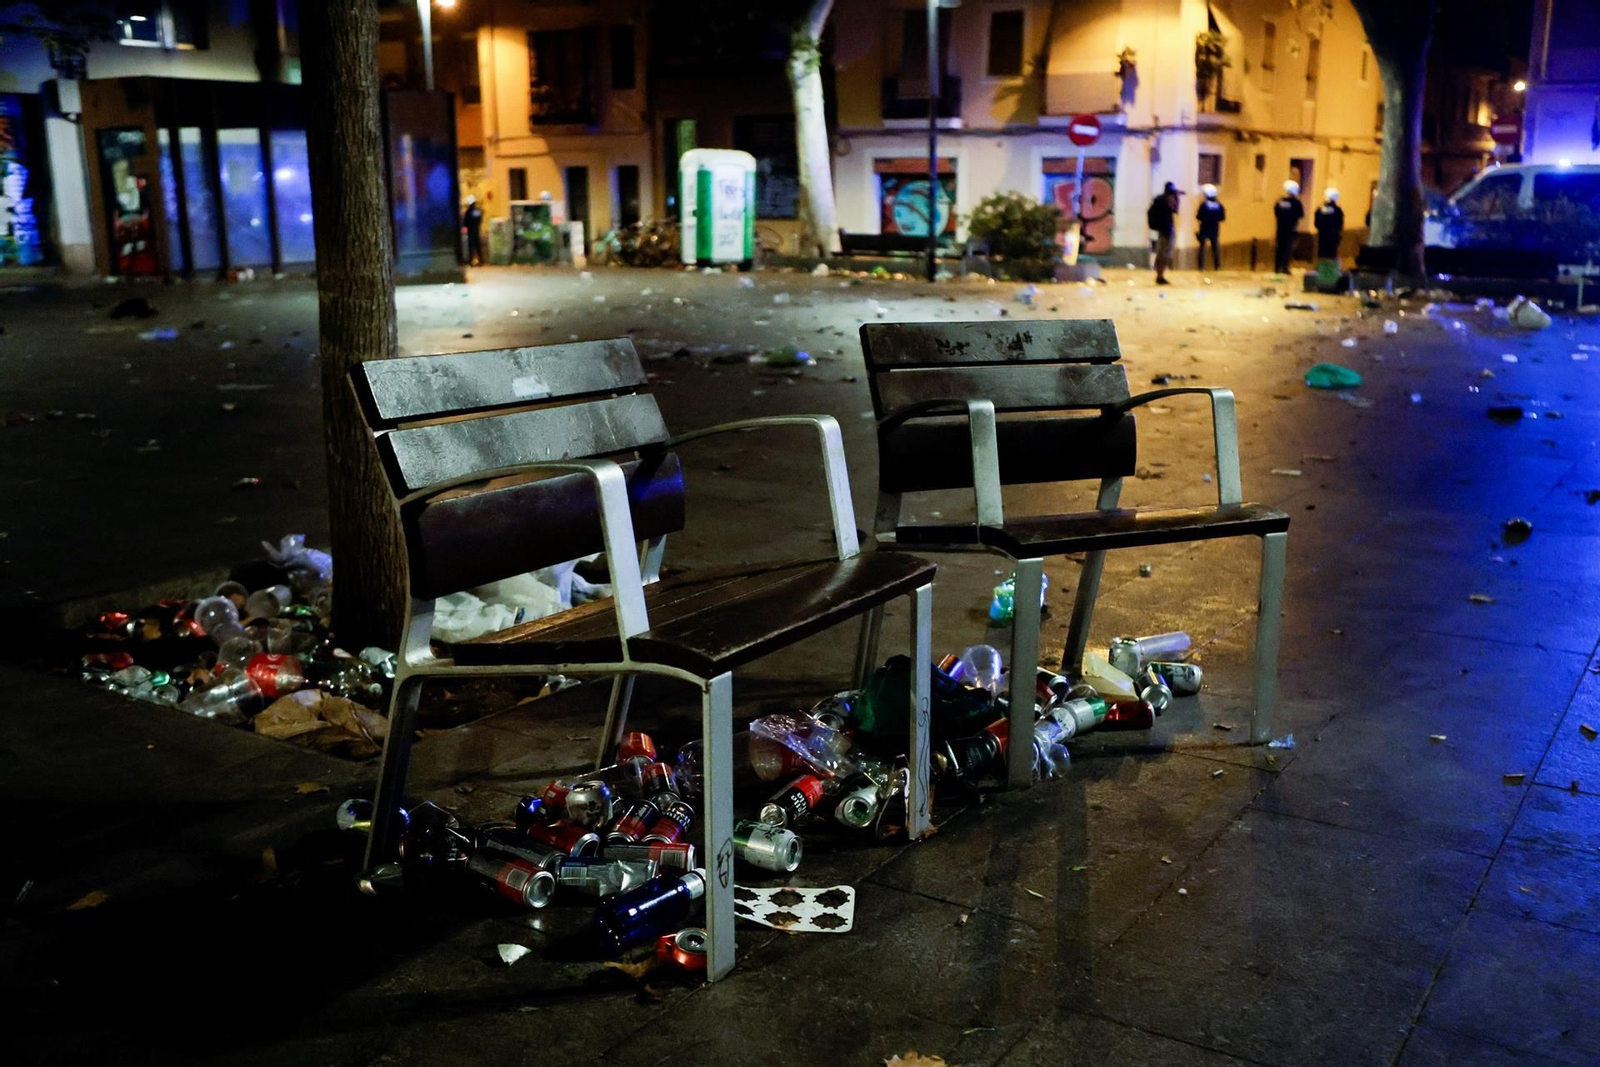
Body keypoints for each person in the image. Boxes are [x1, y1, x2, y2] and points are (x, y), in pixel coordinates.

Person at [1147, 181, 1180, 285]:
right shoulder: (1167, 200)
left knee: (1161, 252)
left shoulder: (1158, 199)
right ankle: (1160, 276)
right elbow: (1175, 210)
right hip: (1167, 230)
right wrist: (1177, 199)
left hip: (1161, 229)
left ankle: (1159, 275)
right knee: (1165, 254)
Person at [1272, 180, 1304, 274]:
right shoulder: (1296, 203)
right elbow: (1300, 215)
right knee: (1287, 248)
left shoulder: (1279, 201)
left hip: (1280, 228)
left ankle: (1277, 268)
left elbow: (1276, 212)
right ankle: (1285, 268)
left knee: (1279, 248)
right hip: (1290, 228)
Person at [1195, 183, 1225, 271]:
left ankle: (1201, 267)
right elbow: (1222, 217)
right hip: (1214, 229)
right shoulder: (1219, 205)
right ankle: (1217, 266)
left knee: (1202, 248)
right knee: (1215, 247)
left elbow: (1199, 216)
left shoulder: (1204, 205)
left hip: (1204, 228)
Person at [1314, 187, 1345, 263]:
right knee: (1331, 255)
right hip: (1333, 236)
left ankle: (1322, 271)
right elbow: (1340, 224)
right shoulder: (1337, 210)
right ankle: (1329, 271)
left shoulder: (1320, 209)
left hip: (1322, 236)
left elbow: (1316, 223)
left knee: (1322, 254)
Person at [462, 195, 484, 266]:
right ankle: (481, 261)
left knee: (471, 248)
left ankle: (470, 262)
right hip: (477, 231)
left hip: (470, 232)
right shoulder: (478, 211)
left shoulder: (468, 212)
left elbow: (465, 222)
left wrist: (464, 230)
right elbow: (480, 220)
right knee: (478, 247)